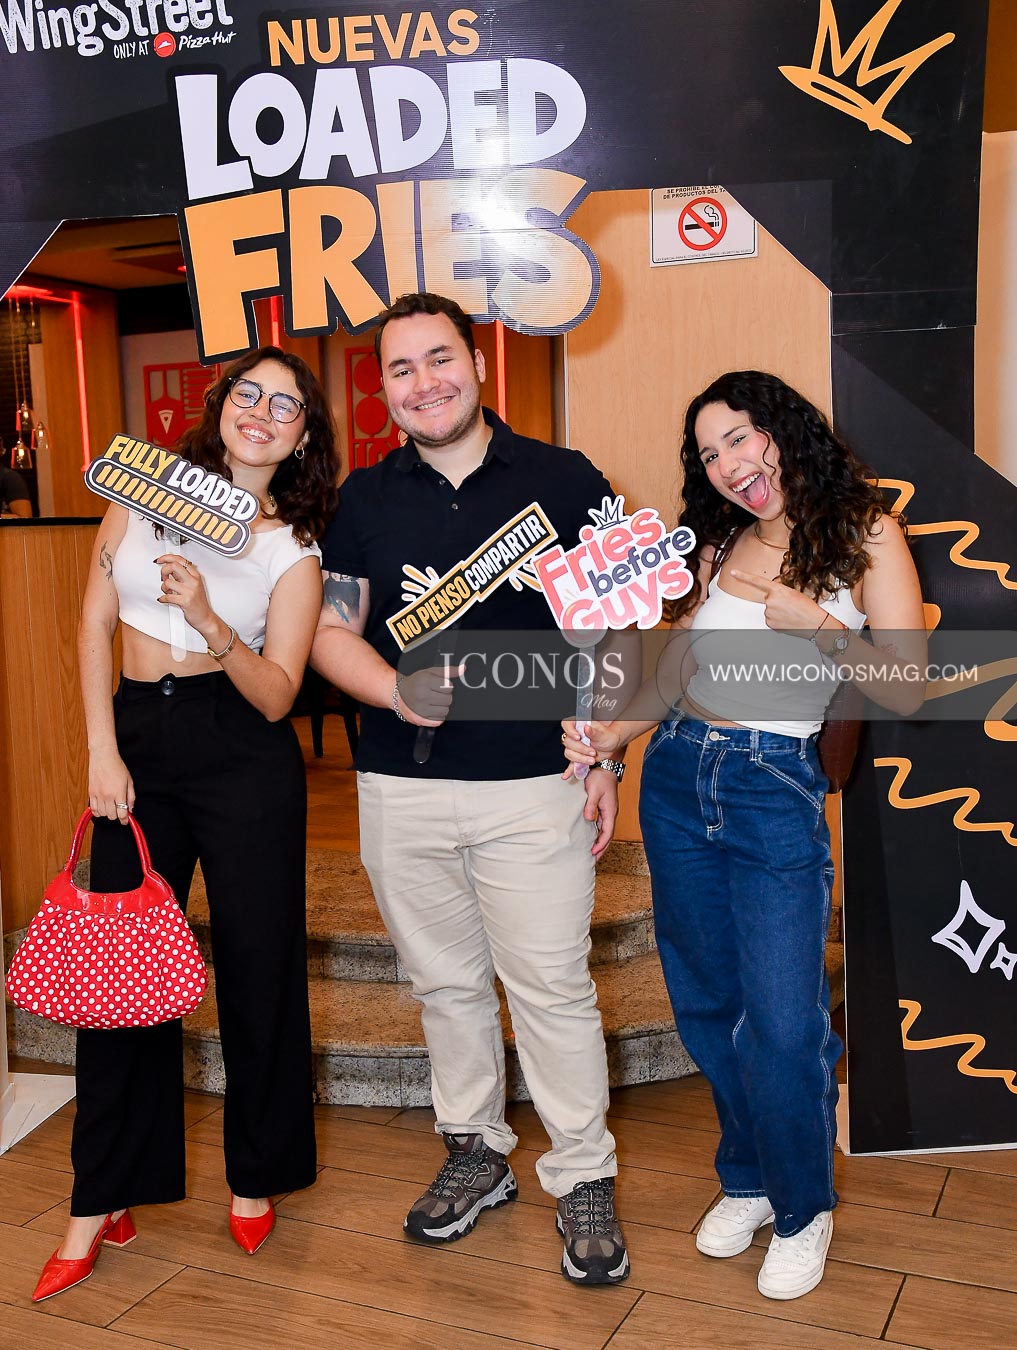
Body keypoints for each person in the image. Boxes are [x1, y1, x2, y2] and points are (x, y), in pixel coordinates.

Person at [563, 370, 924, 1300]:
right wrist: (608, 740)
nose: (727, 464)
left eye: (739, 438)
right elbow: (673, 674)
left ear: (782, 430)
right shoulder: (721, 541)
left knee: (782, 1020)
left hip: (772, 786)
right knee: (705, 1003)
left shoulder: (867, 532)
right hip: (679, 775)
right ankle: (750, 1177)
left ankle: (803, 1207)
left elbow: (907, 685)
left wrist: (818, 626)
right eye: (709, 452)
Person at [311, 292, 629, 1285]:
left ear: (479, 363)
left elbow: (617, 629)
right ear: (383, 389)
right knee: (444, 987)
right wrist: (393, 689)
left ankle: (582, 1171)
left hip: (536, 783)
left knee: (551, 990)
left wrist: (607, 754)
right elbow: (330, 629)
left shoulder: (566, 480)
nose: (424, 383)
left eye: (439, 358)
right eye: (400, 369)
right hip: (398, 789)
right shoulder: (364, 498)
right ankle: (476, 1150)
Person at [33, 346, 340, 1302]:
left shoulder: (292, 549)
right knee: (116, 974)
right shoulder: (140, 490)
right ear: (220, 403)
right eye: (250, 392)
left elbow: (278, 694)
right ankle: (102, 1197)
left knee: (258, 962)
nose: (263, 412)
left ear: (302, 438)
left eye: (286, 406)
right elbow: (93, 624)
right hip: (131, 740)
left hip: (239, 749)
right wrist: (100, 749)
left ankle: (257, 1174)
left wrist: (212, 619)